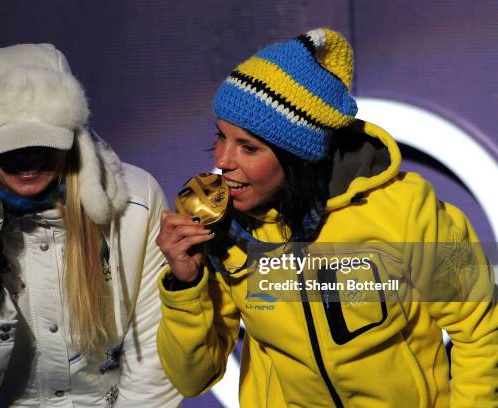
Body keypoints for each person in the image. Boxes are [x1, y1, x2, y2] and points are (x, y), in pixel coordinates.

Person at [156, 28, 497, 407]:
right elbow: (192, 379)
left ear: (296, 157)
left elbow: (482, 331)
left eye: (248, 148)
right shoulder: (225, 230)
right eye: (221, 137)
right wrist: (185, 286)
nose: (222, 161)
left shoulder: (404, 209)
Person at [0, 43, 181, 407]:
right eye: (11, 148)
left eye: (43, 144)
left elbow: (152, 371)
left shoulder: (136, 202)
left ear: (74, 137)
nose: (28, 161)